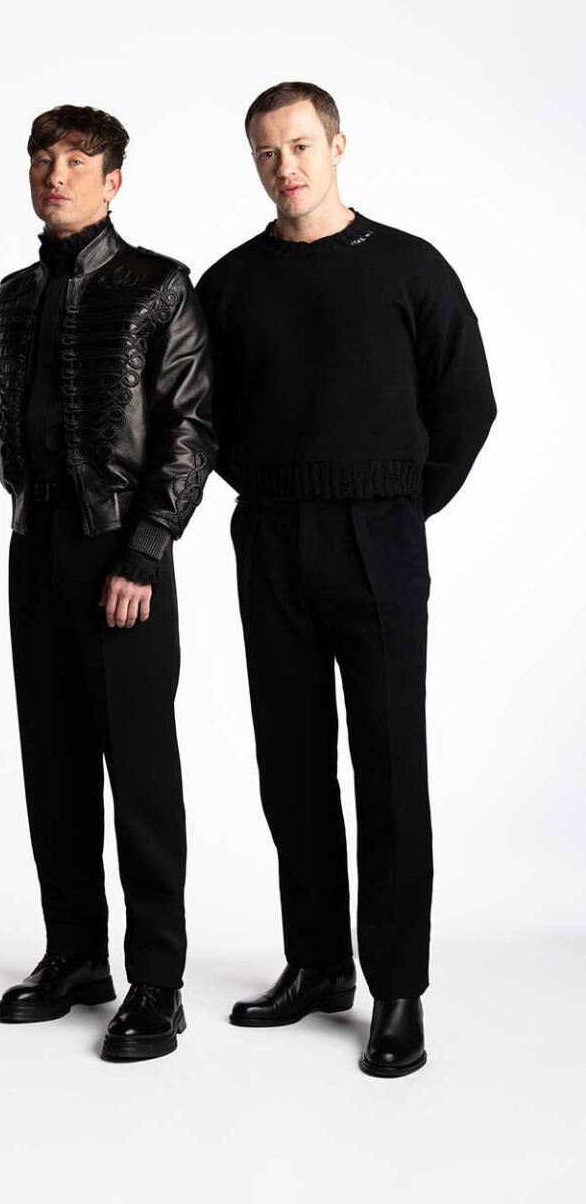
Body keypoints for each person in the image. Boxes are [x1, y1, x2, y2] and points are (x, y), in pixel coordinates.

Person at [196, 81, 496, 1078]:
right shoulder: (230, 283)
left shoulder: (408, 266)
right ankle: (318, 963)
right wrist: (280, 493)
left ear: (335, 146)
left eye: (298, 146)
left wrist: (398, 504)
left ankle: (397, 987)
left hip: (378, 537)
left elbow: (468, 403)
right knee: (289, 763)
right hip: (271, 537)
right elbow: (204, 418)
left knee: (389, 768)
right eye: (265, 152)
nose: (283, 167)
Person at [0, 105, 215, 1062]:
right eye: (44, 158)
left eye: (77, 161)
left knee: (141, 770)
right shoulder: (11, 297)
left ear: (113, 182)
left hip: (123, 556)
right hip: (34, 548)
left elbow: (191, 429)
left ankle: (158, 981)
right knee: (54, 762)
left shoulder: (159, 286)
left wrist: (145, 549)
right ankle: (75, 957)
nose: (56, 174)